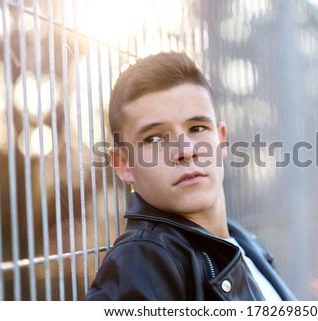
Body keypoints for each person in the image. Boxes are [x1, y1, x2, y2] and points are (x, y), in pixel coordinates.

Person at [85, 51, 296, 300]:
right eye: (154, 138)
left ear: (221, 140)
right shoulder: (142, 262)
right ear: (123, 164)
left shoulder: (243, 242)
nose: (186, 151)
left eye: (197, 128)